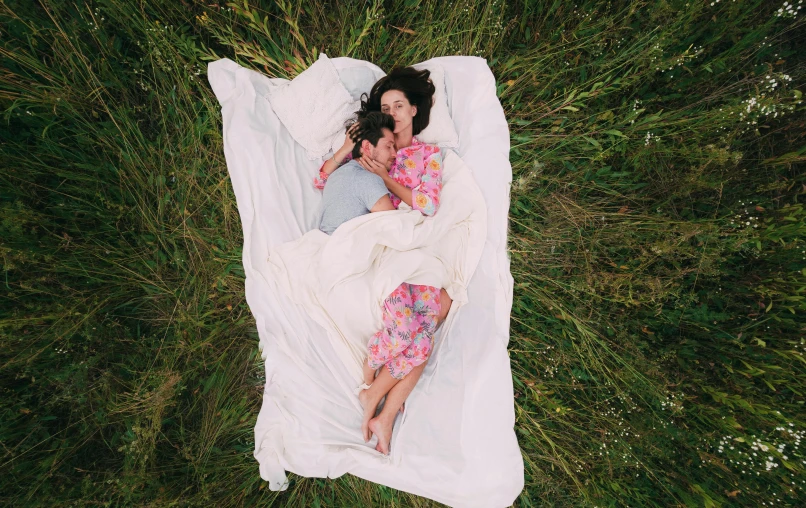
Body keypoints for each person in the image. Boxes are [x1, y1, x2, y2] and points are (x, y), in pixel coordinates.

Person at [314, 67, 453, 455]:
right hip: (378, 247)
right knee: (422, 326)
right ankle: (384, 411)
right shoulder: (375, 144)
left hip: (405, 239)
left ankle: (378, 402)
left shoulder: (427, 155)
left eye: (398, 105)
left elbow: (427, 204)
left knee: (440, 307)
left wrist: (387, 179)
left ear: (413, 110)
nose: (390, 111)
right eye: (385, 106)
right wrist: (349, 148)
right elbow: (325, 180)